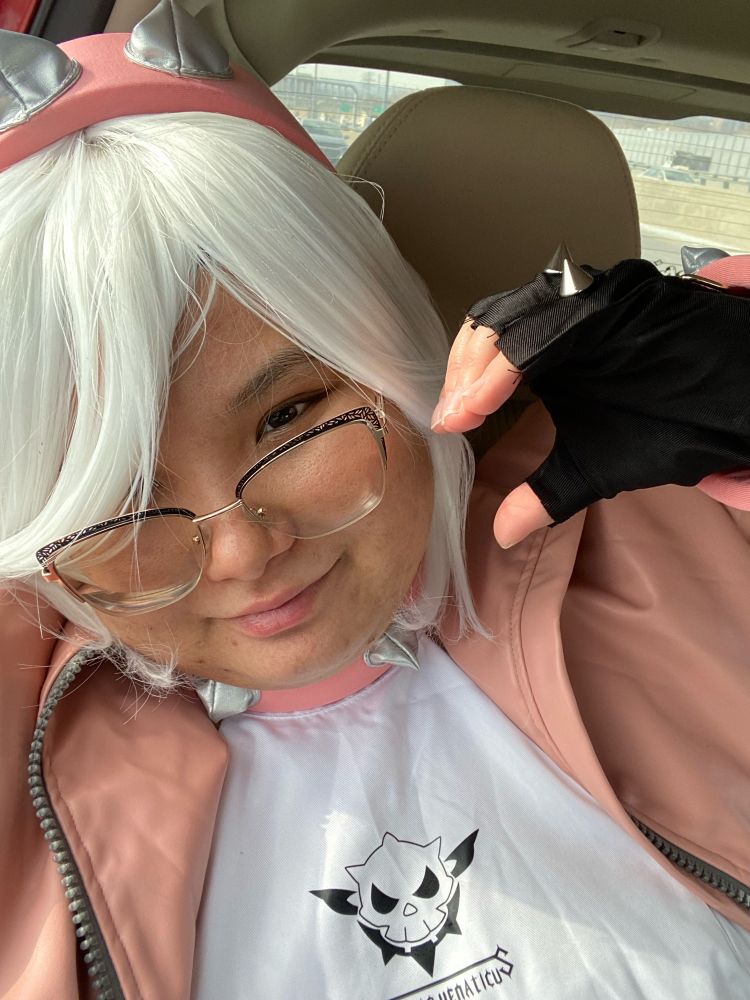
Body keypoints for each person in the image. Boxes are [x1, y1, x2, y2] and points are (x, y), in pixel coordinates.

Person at [1, 4, 749, 999]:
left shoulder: (674, 531)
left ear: (395, 355)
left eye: (291, 417)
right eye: (117, 491)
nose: (243, 552)